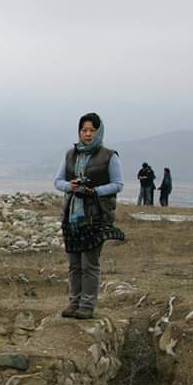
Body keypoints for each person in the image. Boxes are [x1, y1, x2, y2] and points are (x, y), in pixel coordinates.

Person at [53, 112, 125, 320]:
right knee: (74, 264)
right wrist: (71, 186)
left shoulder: (109, 156)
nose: (87, 134)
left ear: (99, 132)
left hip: (95, 217)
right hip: (72, 217)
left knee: (89, 264)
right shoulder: (70, 155)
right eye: (84, 130)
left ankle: (87, 305)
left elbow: (118, 184)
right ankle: (73, 303)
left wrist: (94, 191)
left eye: (92, 130)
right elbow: (58, 181)